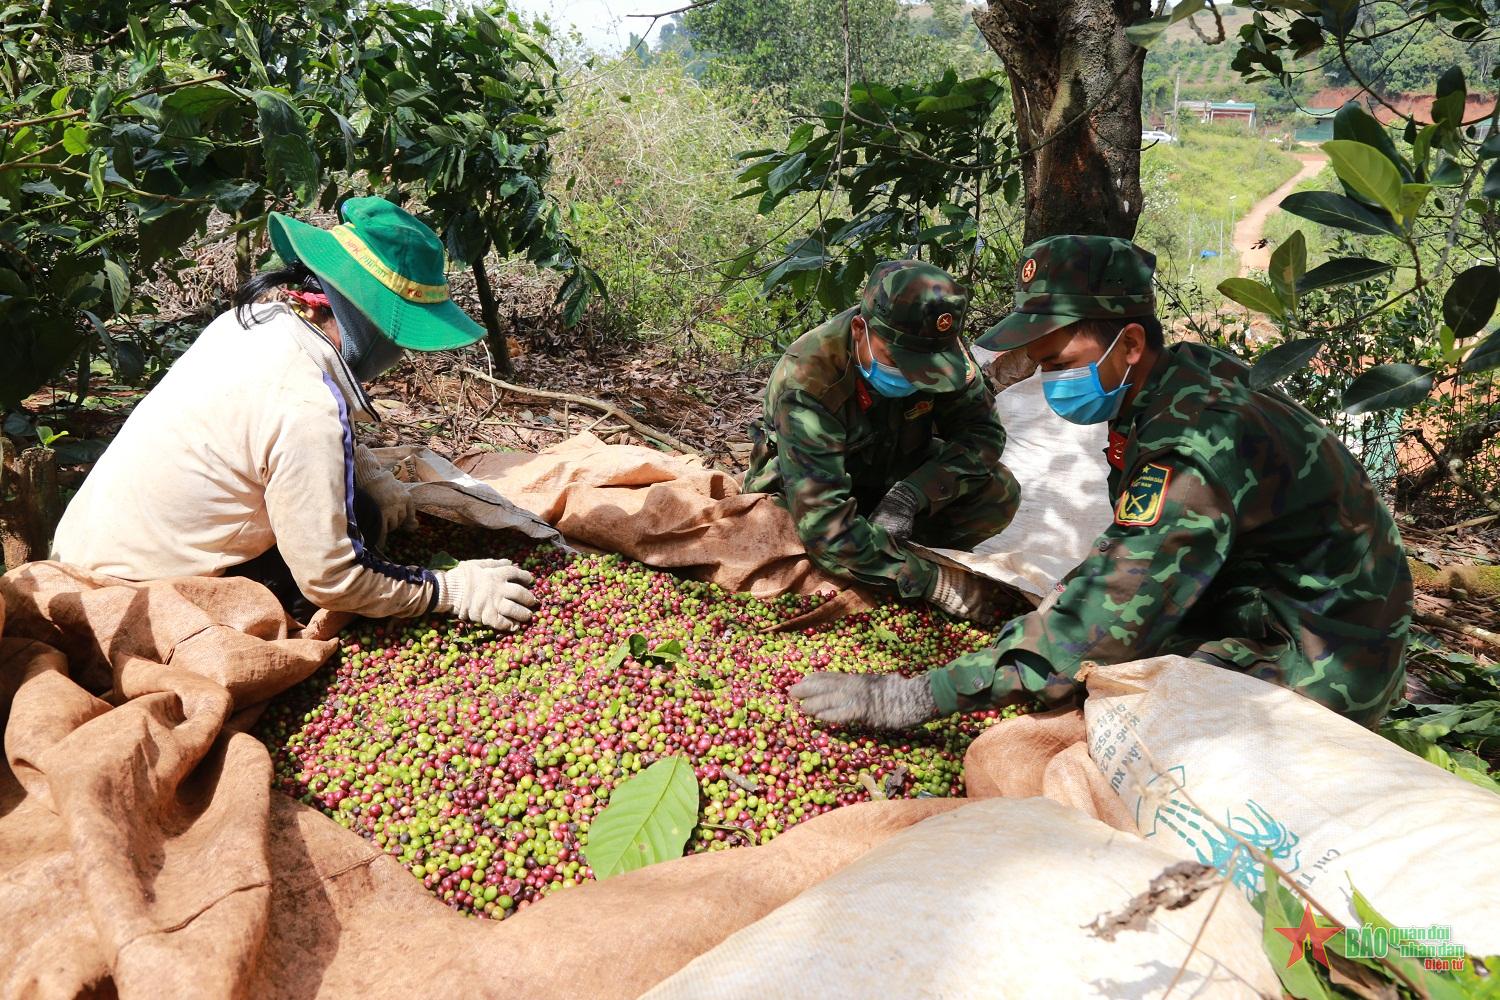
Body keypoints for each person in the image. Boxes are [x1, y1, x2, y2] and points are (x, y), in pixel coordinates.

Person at [790, 234, 1412, 729]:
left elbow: (1104, 627)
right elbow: (1137, 540)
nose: (1047, 380)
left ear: (1130, 343)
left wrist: (916, 696)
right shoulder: (1177, 379)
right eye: (1038, 363)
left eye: (1059, 363)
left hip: (1324, 653)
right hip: (1253, 600)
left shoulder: (1196, 446)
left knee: (1109, 695)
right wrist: (1070, 586)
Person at [51, 198, 535, 632]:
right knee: (354, 536)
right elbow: (333, 578)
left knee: (359, 507)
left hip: (85, 547)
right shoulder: (307, 409)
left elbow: (266, 424)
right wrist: (450, 591)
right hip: (139, 593)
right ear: (370, 326)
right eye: (401, 340)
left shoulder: (253, 321)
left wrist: (367, 470)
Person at [743, 260, 1021, 623]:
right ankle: (893, 565)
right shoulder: (809, 378)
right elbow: (822, 519)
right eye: (899, 359)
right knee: (789, 543)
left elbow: (981, 433)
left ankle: (888, 555)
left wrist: (912, 495)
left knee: (997, 491)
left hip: (892, 476)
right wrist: (932, 583)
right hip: (807, 491)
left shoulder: (939, 346)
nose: (914, 374)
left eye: (927, 364)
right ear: (860, 329)